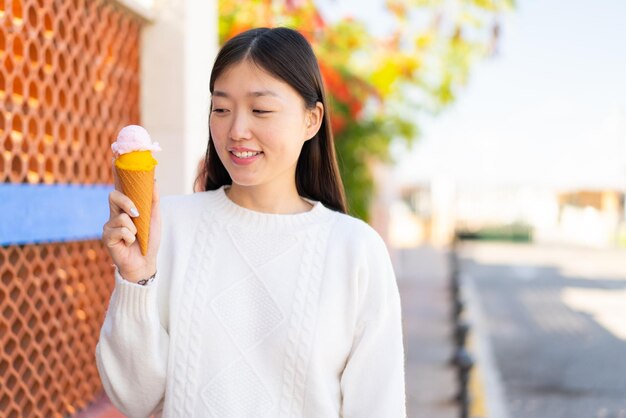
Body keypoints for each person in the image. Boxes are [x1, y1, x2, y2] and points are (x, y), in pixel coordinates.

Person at [97, 27, 405, 418]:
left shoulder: (356, 249)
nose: (236, 130)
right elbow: (136, 399)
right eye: (221, 109)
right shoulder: (168, 226)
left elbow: (378, 407)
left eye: (260, 110)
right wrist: (135, 280)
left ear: (312, 120)